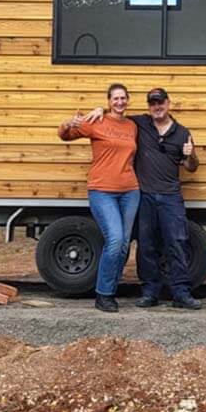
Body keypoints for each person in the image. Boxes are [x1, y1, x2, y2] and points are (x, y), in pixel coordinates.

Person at [85, 86, 201, 309]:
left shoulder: (182, 133)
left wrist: (190, 155)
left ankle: (181, 293)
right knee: (147, 246)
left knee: (177, 242)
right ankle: (150, 292)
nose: (157, 107)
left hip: (171, 196)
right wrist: (101, 109)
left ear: (168, 103)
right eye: (152, 103)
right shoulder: (140, 124)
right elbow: (117, 114)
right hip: (145, 195)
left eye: (160, 102)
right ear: (149, 106)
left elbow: (192, 167)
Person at [58, 82, 140, 313]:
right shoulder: (96, 121)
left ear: (128, 100)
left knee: (123, 245)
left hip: (130, 191)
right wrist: (68, 123)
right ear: (109, 101)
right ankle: (103, 295)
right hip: (102, 190)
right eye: (115, 98)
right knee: (115, 240)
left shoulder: (132, 126)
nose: (120, 102)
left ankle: (111, 288)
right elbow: (65, 135)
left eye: (123, 98)